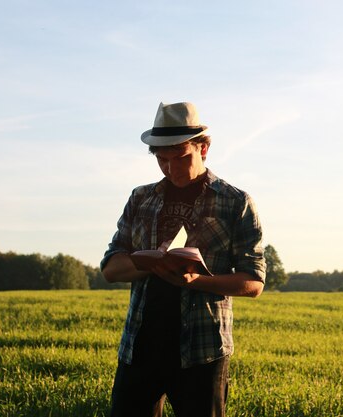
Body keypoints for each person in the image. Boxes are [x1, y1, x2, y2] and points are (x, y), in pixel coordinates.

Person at [101, 101, 266, 417]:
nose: (171, 169)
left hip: (202, 352)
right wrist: (147, 262)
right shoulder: (140, 198)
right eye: (162, 161)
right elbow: (111, 268)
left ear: (204, 148)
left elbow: (254, 282)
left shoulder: (236, 202)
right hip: (140, 348)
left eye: (180, 158)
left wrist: (197, 280)